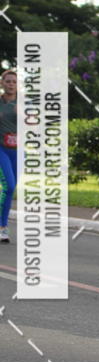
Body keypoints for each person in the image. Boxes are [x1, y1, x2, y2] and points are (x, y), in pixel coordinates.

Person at [0, 69, 17, 243]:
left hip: (18, 152)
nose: (11, 84)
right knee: (9, 185)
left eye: (14, 81)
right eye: (8, 81)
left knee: (10, 190)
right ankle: (2, 227)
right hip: (1, 150)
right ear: (2, 83)